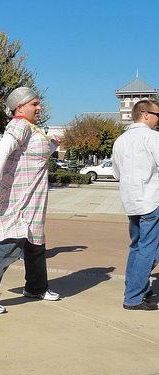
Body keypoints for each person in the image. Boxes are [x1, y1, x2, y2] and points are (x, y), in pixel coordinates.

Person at [0, 87, 61, 314]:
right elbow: (0, 152)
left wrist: (53, 145)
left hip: (34, 201)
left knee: (36, 244)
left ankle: (36, 287)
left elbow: (35, 156)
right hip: (20, 199)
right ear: (20, 108)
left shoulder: (31, 127)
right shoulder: (19, 125)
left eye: (38, 103)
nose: (39, 108)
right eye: (34, 104)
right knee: (10, 245)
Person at [112, 99, 159, 311]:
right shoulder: (152, 138)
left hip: (131, 202)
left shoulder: (120, 141)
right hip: (151, 200)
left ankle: (136, 288)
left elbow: (116, 173)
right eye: (158, 115)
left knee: (137, 246)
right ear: (146, 114)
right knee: (147, 249)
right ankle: (134, 295)